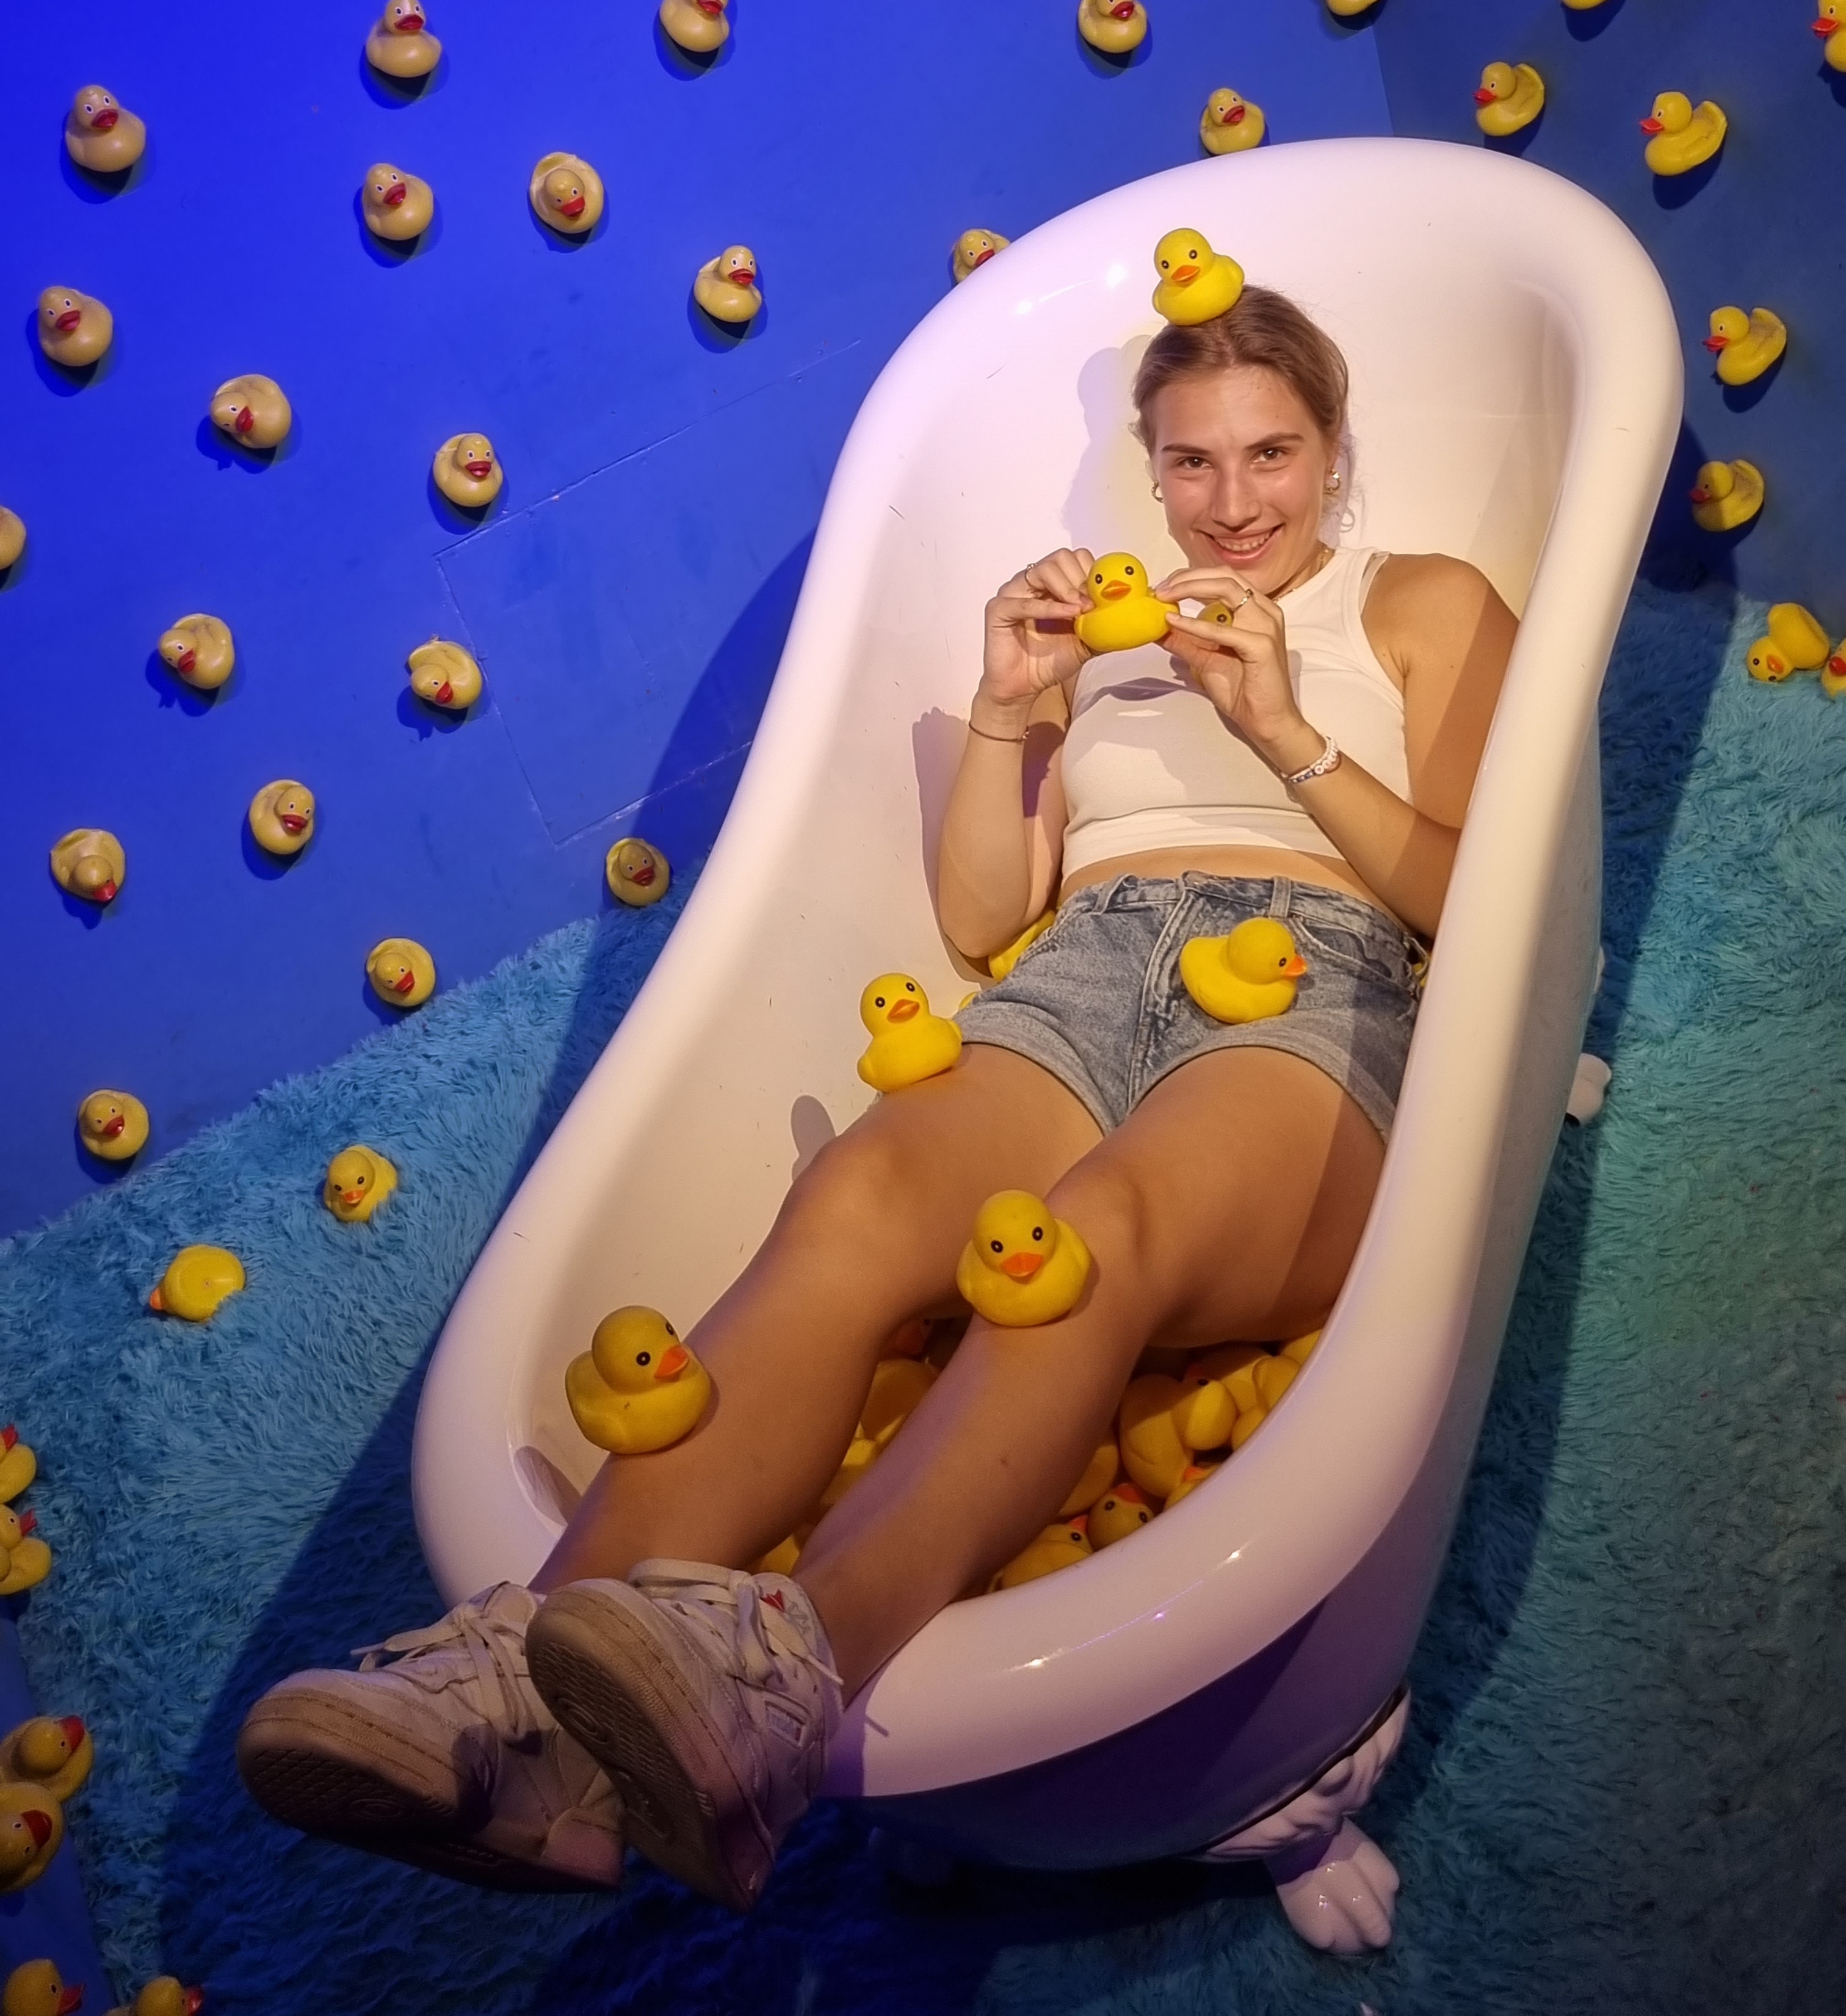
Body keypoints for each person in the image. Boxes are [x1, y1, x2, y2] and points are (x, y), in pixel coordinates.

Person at [238, 287, 1517, 1914]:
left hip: (1317, 974)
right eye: (1192, 462)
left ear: (1333, 449)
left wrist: (1282, 729)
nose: (1233, 500)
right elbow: (985, 919)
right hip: (1086, 967)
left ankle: (783, 1677)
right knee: (851, 1200)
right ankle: (521, 1700)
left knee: (1081, 1243)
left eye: (1271, 453)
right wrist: (1008, 700)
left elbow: (1487, 900)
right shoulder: (1112, 630)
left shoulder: (1418, 598)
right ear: (1153, 469)